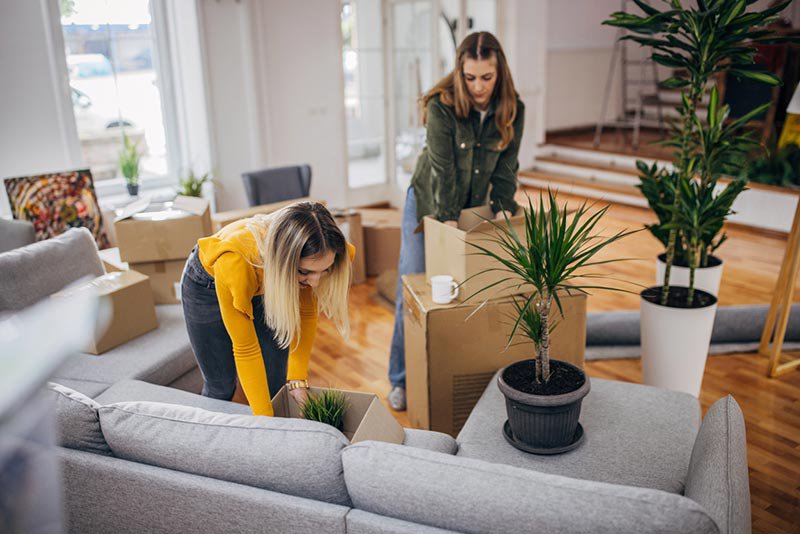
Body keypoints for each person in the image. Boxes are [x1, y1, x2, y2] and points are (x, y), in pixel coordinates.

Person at [388, 31, 525, 411]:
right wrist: (448, 225)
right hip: (429, 205)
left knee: (466, 293)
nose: (478, 87)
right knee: (415, 286)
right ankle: (400, 379)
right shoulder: (442, 106)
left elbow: (506, 171)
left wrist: (502, 216)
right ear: (459, 72)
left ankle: (454, 370)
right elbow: (442, 171)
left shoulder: (513, 110)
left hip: (474, 208)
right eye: (470, 77)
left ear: (500, 73)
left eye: (487, 77)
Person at [181, 201, 354, 416]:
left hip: (267, 279)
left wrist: (298, 381)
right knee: (221, 386)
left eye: (325, 270)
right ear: (285, 260)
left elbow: (307, 315)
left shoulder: (323, 250)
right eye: (305, 272)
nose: (316, 282)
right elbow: (245, 349)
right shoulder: (233, 264)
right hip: (207, 285)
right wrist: (266, 424)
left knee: (277, 384)